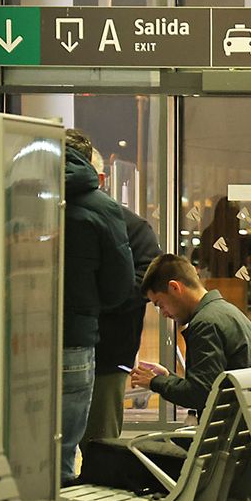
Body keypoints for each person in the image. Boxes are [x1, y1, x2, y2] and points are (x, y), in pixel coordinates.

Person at [54, 129, 135, 500]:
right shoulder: (103, 208)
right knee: (64, 454)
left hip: (15, 341)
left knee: (17, 448)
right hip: (74, 341)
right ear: (89, 163)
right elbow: (120, 288)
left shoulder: (8, 193)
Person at [85, 147, 163, 443]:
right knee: (94, 443)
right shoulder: (132, 226)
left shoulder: (132, 227)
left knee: (99, 441)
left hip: (108, 353)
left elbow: (145, 279)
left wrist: (96, 301)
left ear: (101, 179)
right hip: (97, 350)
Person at [130, 253, 251, 412]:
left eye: (160, 304)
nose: (164, 314)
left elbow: (200, 395)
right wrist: (167, 377)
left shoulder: (205, 324)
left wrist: (155, 382)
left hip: (228, 430)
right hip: (247, 423)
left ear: (174, 287)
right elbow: (207, 386)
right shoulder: (229, 312)